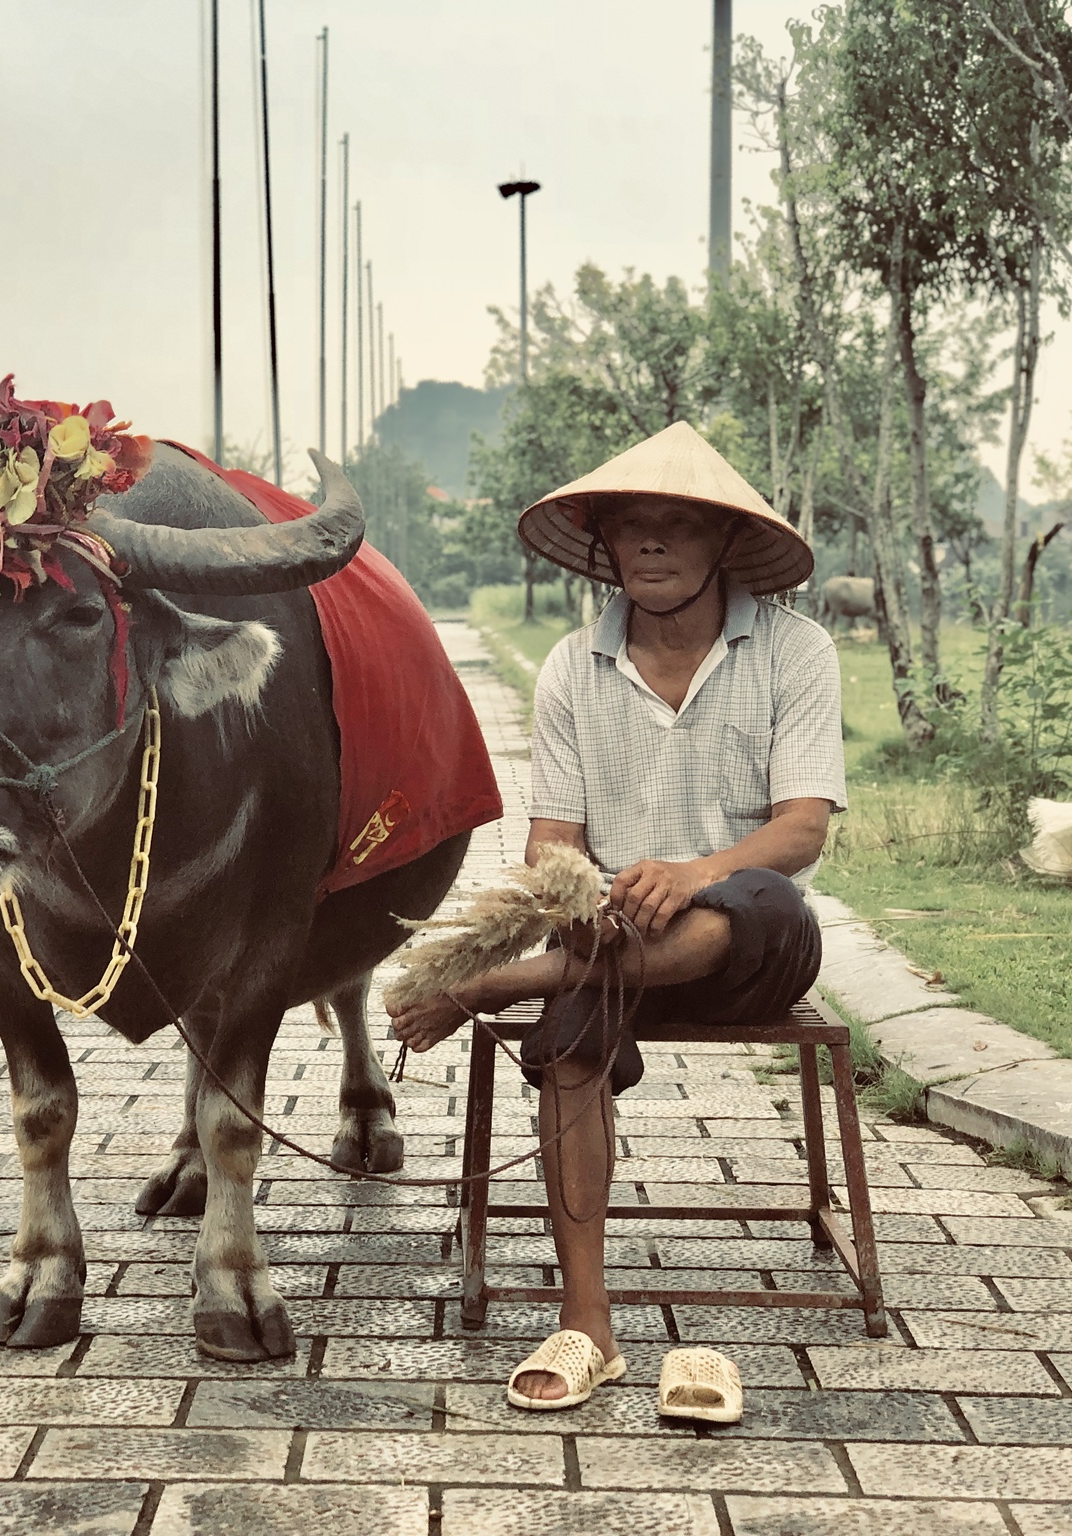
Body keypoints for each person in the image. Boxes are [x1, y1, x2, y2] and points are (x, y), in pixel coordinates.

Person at [388, 421, 846, 1410]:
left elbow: (800, 829)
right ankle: (587, 1323)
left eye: (675, 525)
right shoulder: (569, 666)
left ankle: (496, 986)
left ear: (721, 543)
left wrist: (692, 873)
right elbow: (552, 849)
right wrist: (591, 903)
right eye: (630, 526)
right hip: (607, 944)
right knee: (564, 1051)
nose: (648, 543)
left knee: (747, 903)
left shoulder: (792, 649)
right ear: (604, 545)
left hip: (748, 934)